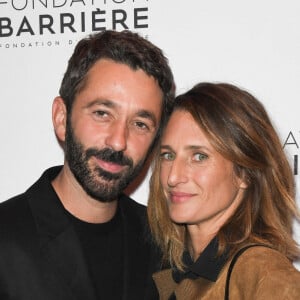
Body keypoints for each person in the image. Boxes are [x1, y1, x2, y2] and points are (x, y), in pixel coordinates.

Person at [0, 30, 175, 300]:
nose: (118, 141)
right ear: (61, 118)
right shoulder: (7, 236)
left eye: (140, 124)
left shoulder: (164, 241)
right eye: (102, 113)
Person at [147, 82, 300, 299]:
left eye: (199, 156)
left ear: (244, 173)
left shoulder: (264, 275)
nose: (173, 177)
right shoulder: (170, 268)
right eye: (168, 155)